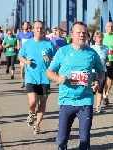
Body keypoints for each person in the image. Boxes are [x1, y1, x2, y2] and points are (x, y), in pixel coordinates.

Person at [46, 21, 105, 150]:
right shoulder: (63, 52)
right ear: (72, 35)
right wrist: (58, 78)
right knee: (61, 140)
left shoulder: (91, 53)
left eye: (84, 33)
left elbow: (101, 71)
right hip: (67, 99)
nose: (82, 35)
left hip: (86, 100)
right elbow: (49, 72)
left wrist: (98, 82)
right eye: (78, 32)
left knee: (84, 142)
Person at [18, 20, 56, 134]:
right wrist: (26, 62)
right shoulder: (28, 44)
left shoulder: (49, 44)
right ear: (33, 29)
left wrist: (50, 60)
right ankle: (31, 112)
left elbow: (56, 60)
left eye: (41, 28)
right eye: (37, 28)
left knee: (43, 102)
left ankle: (37, 124)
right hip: (31, 77)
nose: (39, 30)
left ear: (43, 30)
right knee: (33, 101)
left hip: (45, 78)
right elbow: (20, 56)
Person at [91, 30, 109, 113]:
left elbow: (106, 58)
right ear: (95, 38)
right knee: (93, 90)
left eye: (101, 37)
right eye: (98, 37)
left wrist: (107, 61)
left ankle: (98, 106)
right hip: (93, 71)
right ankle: (89, 105)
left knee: (100, 89)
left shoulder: (106, 48)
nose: (99, 39)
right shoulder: (92, 48)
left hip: (103, 71)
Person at [17, 21, 33, 88]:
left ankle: (28, 81)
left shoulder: (31, 34)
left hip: (29, 53)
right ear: (23, 26)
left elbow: (32, 43)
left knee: (28, 68)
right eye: (25, 24)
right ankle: (22, 81)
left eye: (27, 24)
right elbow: (18, 43)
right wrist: (18, 46)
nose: (26, 26)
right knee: (22, 67)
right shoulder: (19, 35)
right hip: (22, 53)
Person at [102, 22, 113, 105]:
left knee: (110, 80)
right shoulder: (102, 37)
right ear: (105, 27)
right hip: (105, 61)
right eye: (109, 26)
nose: (110, 27)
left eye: (112, 26)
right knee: (105, 79)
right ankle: (104, 95)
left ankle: (105, 95)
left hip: (112, 60)